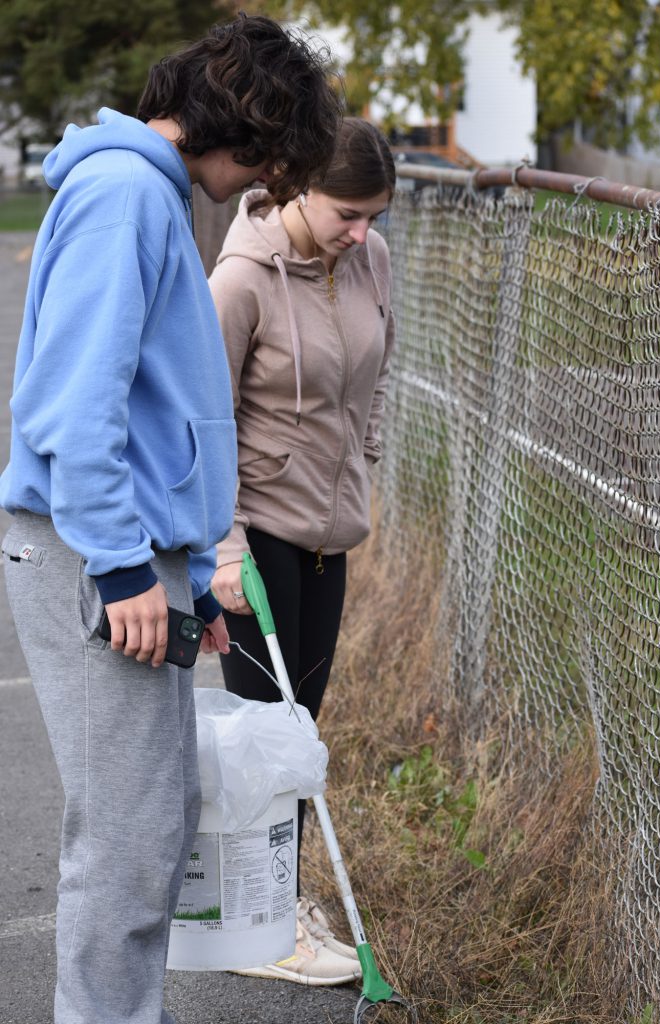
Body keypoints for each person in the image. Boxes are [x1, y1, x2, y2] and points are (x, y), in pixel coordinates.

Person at [0, 15, 340, 1024]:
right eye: (271, 157)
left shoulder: (148, 193)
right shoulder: (123, 198)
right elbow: (72, 408)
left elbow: (154, 407)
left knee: (154, 822)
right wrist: (118, 569)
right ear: (242, 120)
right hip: (90, 549)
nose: (264, 183)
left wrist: (188, 576)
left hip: (133, 548)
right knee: (128, 834)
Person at [208, 116, 396, 986]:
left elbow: (372, 384)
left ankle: (271, 904)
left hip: (330, 536)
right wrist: (220, 550)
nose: (363, 234)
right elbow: (198, 425)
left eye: (374, 217)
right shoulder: (241, 279)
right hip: (257, 536)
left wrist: (365, 467)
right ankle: (266, 929)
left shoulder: (370, 262)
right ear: (298, 189)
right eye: (348, 214)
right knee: (262, 739)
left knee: (298, 730)